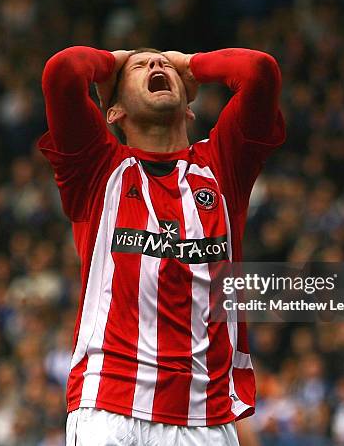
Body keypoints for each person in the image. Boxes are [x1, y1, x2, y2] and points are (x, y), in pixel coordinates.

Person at [39, 45, 285, 445]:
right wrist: (113, 61)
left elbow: (260, 71)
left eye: (165, 65)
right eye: (141, 65)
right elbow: (62, 72)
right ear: (113, 111)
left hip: (205, 418)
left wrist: (192, 65)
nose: (156, 64)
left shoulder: (224, 166)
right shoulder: (96, 168)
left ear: (190, 107)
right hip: (109, 405)